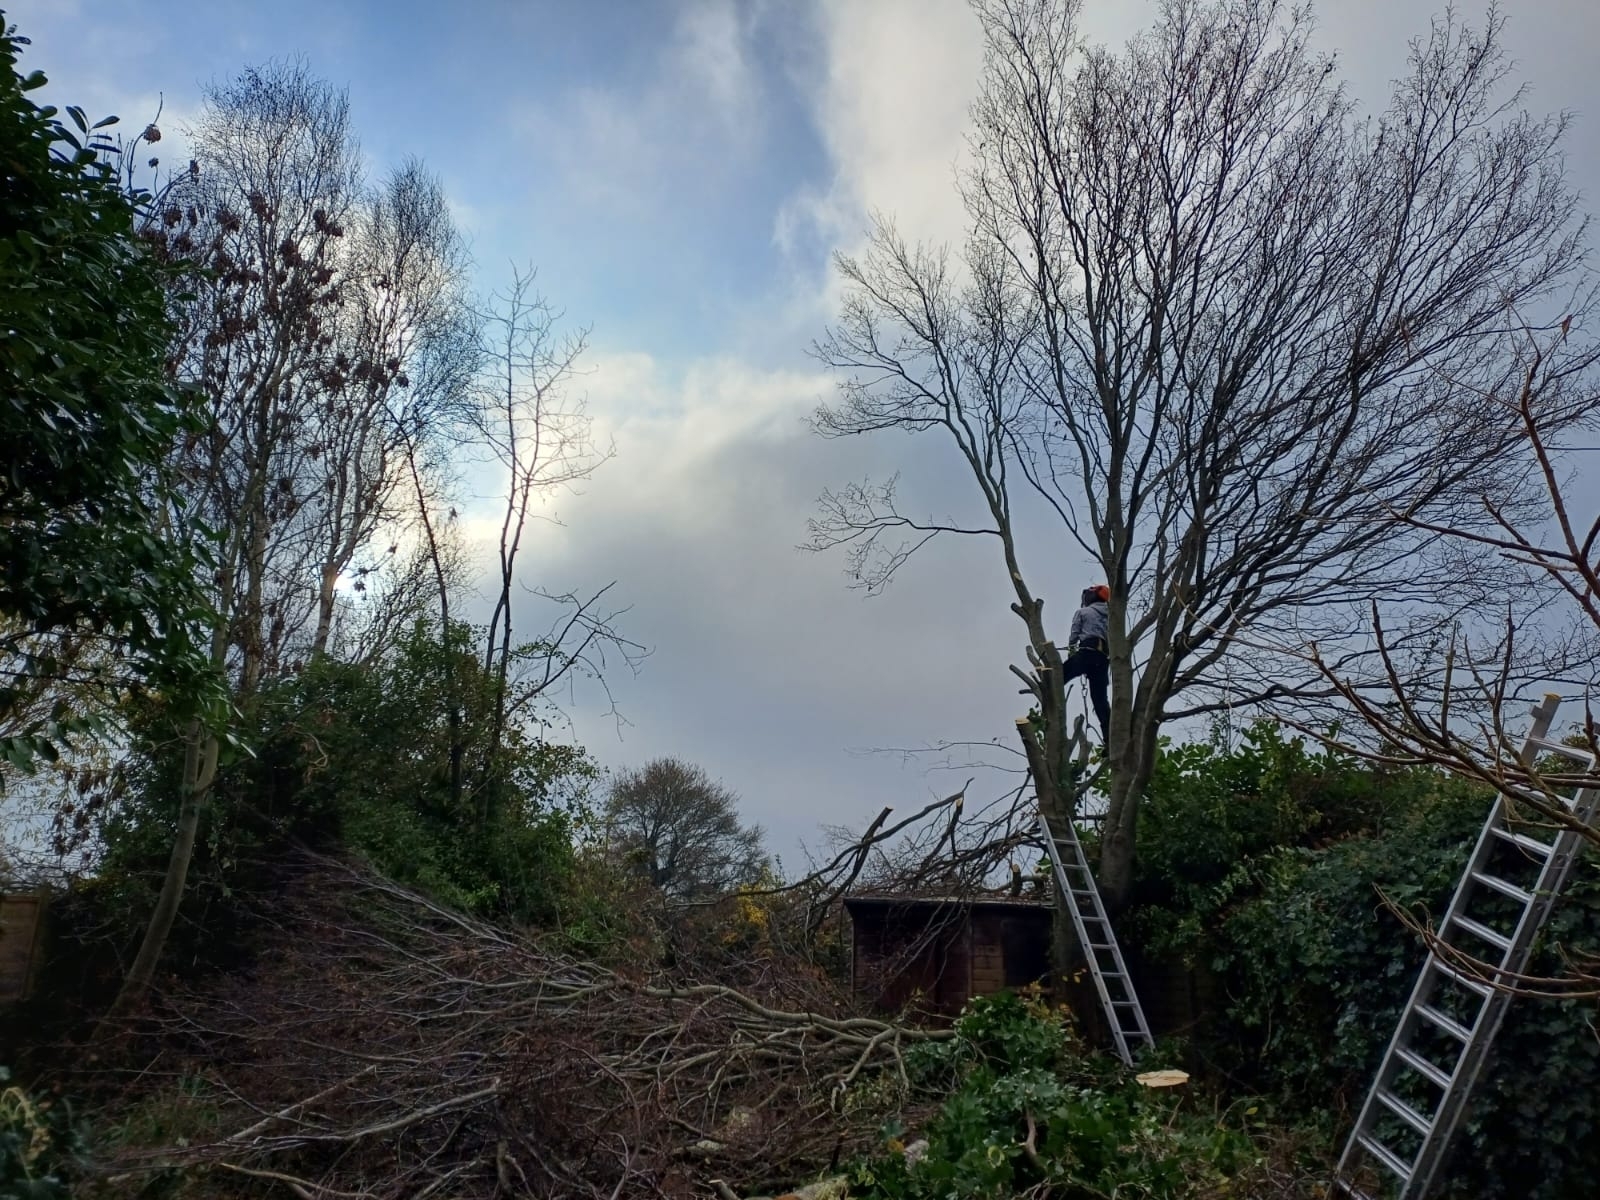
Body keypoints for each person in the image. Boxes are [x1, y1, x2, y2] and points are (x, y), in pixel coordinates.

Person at [1049, 584, 1111, 738]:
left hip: (1086, 653)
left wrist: (1071, 651)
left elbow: (1074, 636)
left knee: (1056, 679)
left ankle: (1047, 704)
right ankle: (1110, 738)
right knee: (1100, 702)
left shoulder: (1083, 612)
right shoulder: (1112, 614)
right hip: (1103, 659)